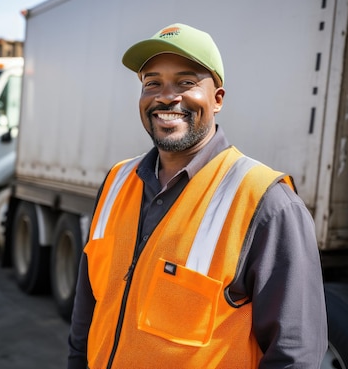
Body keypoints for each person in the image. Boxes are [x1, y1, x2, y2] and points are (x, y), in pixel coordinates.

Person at [67, 23, 327, 369]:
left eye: (186, 83)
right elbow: (89, 309)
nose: (166, 96)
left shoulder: (267, 203)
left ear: (217, 99)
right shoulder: (117, 182)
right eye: (152, 83)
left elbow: (295, 356)